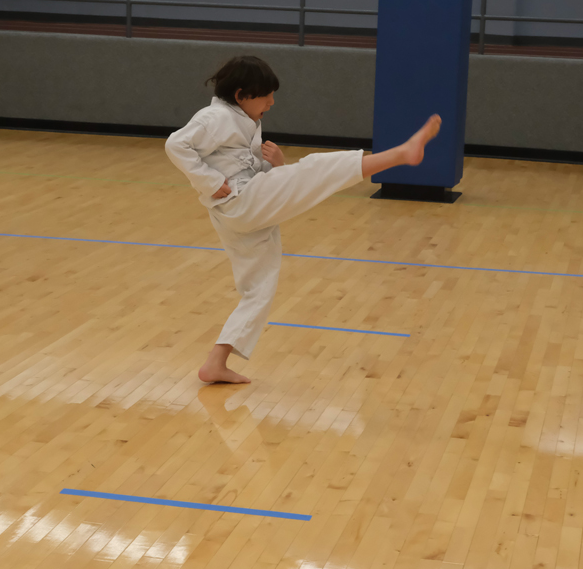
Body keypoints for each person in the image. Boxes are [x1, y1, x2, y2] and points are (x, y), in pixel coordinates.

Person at [165, 55, 441, 384]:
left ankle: (216, 363)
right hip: (241, 202)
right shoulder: (216, 116)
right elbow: (176, 145)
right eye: (265, 95)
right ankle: (399, 154)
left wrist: (276, 166)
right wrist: (209, 181)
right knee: (314, 170)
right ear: (241, 95)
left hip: (241, 209)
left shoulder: (246, 119)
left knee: (259, 288)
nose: (271, 102)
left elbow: (247, 169)